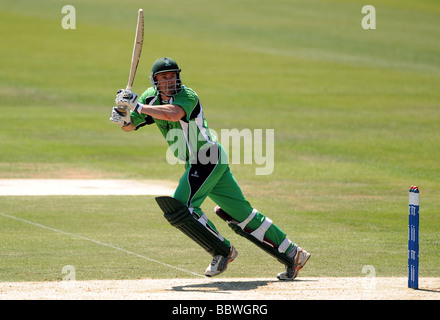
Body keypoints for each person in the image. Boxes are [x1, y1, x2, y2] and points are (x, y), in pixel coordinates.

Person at [110, 57, 310, 279]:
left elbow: (172, 114)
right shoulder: (150, 97)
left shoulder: (187, 96)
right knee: (242, 214)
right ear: (155, 81)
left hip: (208, 156)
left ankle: (223, 251)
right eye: (163, 77)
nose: (169, 81)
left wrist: (137, 105)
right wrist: (123, 117)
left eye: (173, 76)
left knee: (182, 207)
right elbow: (130, 126)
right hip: (201, 162)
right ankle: (294, 253)